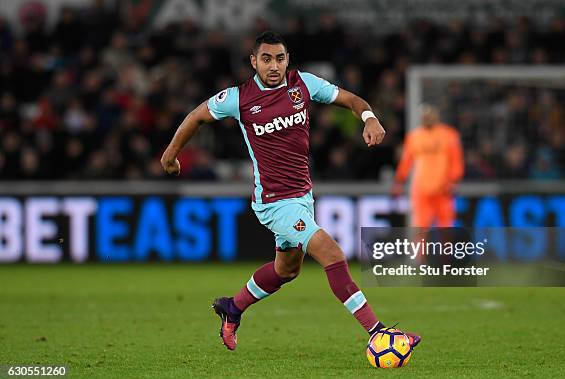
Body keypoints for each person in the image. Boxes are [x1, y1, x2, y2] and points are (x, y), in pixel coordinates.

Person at [160, 31, 421, 351]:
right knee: (332, 254)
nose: (274, 65)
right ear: (253, 62)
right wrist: (171, 154)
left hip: (302, 196)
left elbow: (353, 100)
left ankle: (233, 308)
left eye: (279, 58)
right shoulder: (237, 98)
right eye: (266, 59)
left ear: (288, 60)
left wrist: (369, 117)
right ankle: (378, 332)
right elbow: (195, 117)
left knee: (286, 270)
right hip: (274, 202)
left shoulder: (305, 84)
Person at [392, 104, 464, 228]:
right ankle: (420, 249)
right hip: (421, 190)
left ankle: (446, 248)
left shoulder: (449, 135)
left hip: (443, 188)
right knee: (420, 228)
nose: (427, 118)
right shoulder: (414, 137)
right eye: (424, 116)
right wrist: (399, 181)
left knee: (445, 227)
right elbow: (406, 162)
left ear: (437, 116)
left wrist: (453, 180)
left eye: (430, 115)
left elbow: (456, 160)